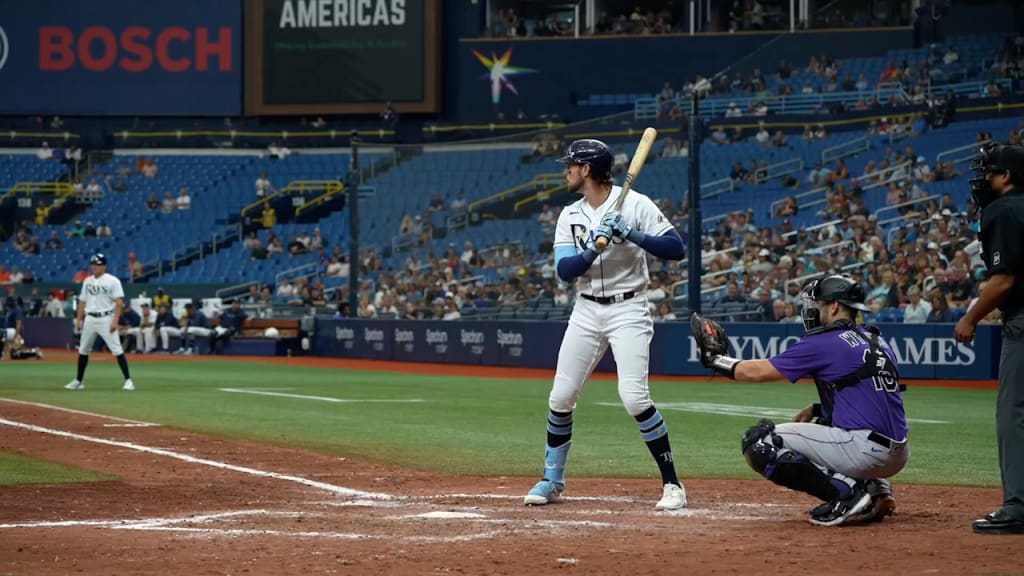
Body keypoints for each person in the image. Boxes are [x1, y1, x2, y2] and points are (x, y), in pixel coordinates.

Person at [523, 139, 687, 510]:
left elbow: (676, 248)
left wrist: (630, 234)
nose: (565, 170)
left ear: (586, 170)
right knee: (561, 397)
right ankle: (552, 480)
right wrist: (593, 249)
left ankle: (672, 484)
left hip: (628, 309)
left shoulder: (636, 204)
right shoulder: (570, 214)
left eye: (570, 165)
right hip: (585, 311)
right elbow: (566, 271)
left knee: (634, 398)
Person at [692, 275, 908, 527]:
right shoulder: (877, 340)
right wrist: (817, 409)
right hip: (898, 453)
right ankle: (877, 490)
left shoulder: (825, 341)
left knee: (760, 442)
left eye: (818, 304)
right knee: (824, 419)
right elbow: (872, 396)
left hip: (864, 451)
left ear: (834, 306)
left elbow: (758, 372)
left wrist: (716, 360)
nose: (813, 310)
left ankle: (846, 494)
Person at [954, 142, 1024, 534]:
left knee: (1014, 414)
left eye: (990, 172)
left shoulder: (1003, 209)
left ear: (1006, 176)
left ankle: (1018, 505)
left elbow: (1003, 279)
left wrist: (971, 317)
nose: (983, 179)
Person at [65, 253, 135, 391]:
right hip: (90, 318)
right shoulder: (87, 281)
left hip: (106, 318)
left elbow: (119, 302)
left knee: (116, 349)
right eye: (93, 264)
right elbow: (82, 301)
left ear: (104, 266)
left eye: (97, 264)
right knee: (83, 349)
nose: (94, 267)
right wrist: (79, 319)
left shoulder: (112, 281)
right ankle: (79, 380)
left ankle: (128, 380)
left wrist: (115, 321)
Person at [1, 296, 44, 360]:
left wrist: (16, 337)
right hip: (10, 333)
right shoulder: (9, 310)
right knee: (14, 355)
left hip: (15, 332)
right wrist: (7, 342)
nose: (14, 302)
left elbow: (19, 325)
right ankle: (35, 352)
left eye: (14, 301)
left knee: (1, 332)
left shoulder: (17, 309)